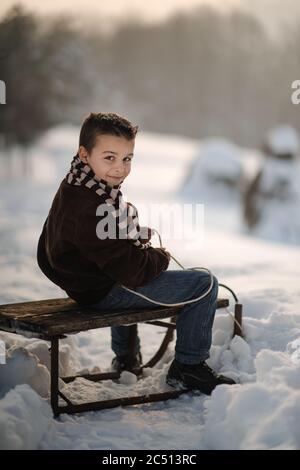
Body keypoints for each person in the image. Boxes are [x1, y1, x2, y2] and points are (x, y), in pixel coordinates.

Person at [37, 112, 235, 395]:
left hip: (89, 284)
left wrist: (121, 243)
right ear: (84, 153)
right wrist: (159, 256)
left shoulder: (76, 184)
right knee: (204, 284)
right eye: (110, 157)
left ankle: (127, 358)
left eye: (127, 158)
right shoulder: (91, 205)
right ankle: (189, 367)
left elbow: (66, 244)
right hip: (103, 290)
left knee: (120, 271)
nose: (120, 168)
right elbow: (132, 271)